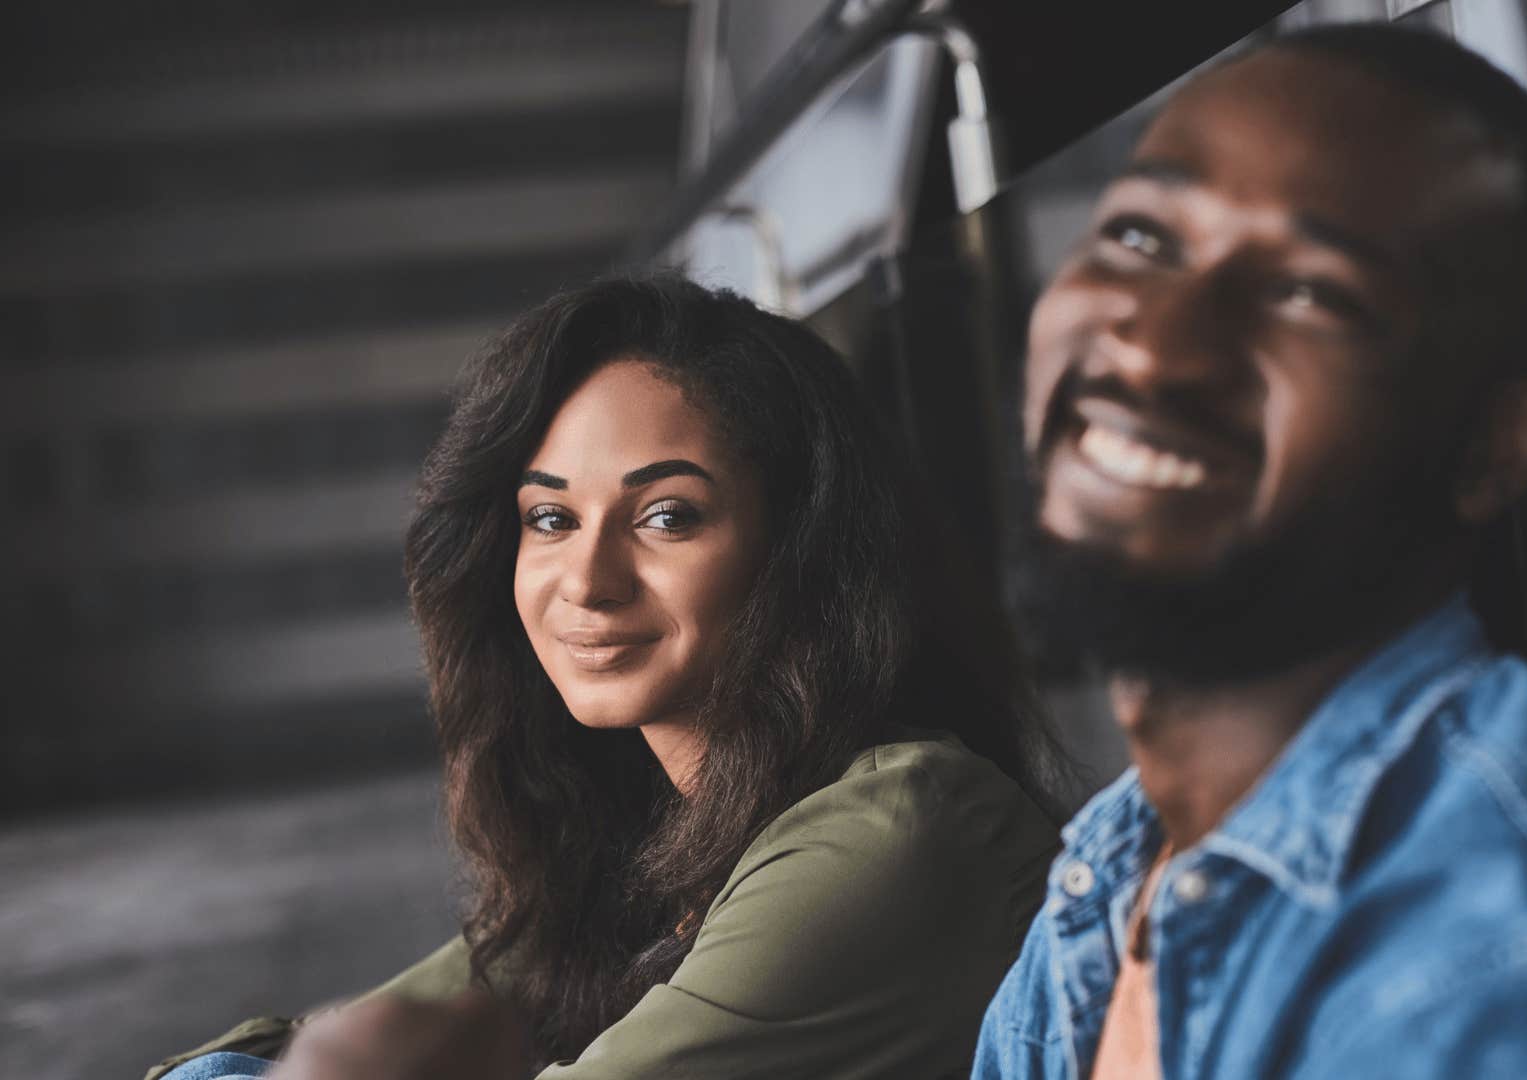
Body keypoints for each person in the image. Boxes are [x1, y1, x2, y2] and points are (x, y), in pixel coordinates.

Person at [975, 23, 1527, 1079]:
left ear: (1496, 449)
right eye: (1144, 238)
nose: (1155, 343)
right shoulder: (1122, 857)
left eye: (1313, 294)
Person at [147, 275, 1061, 1080]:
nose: (586, 582)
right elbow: (341, 1040)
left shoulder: (897, 833)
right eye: (549, 519)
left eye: (666, 515)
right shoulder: (644, 839)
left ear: (802, 552)